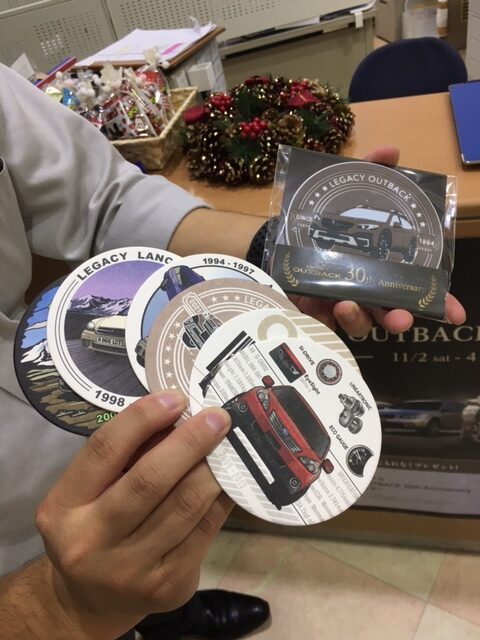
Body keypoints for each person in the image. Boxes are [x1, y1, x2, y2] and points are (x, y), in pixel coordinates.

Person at [0, 63, 466, 640]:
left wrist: (280, 253)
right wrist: (53, 607)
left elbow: (102, 199)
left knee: (161, 555)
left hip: (102, 417)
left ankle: (178, 620)